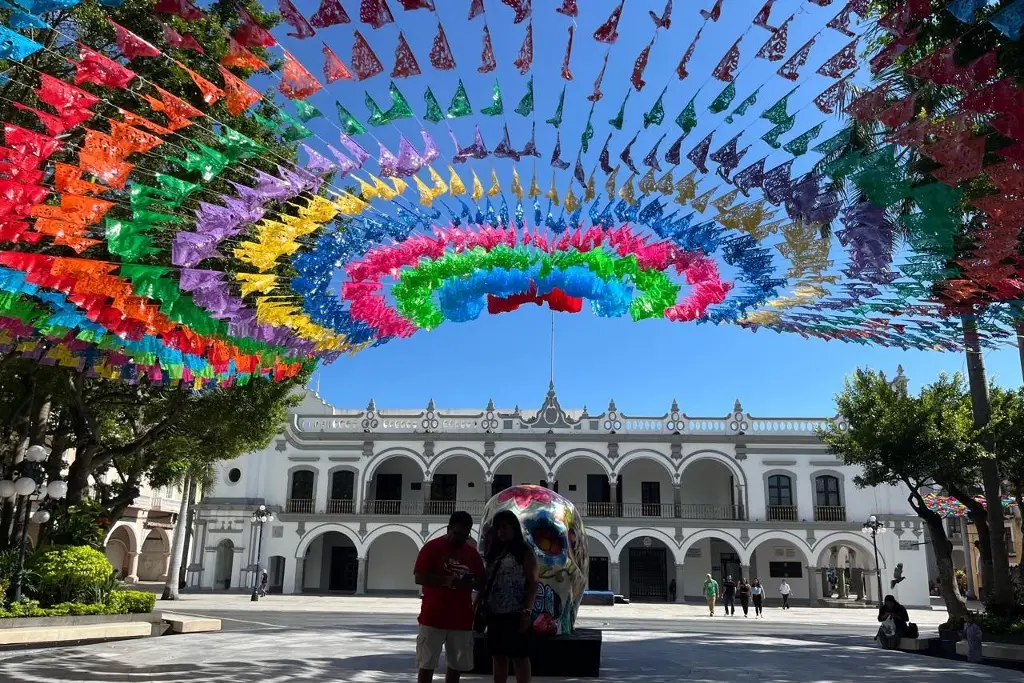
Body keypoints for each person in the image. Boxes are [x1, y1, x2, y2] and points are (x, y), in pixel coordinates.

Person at [414, 511, 485, 683]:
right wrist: (445, 580)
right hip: (433, 618)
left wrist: (469, 584)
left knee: (455, 666)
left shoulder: (471, 553)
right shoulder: (431, 548)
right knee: (427, 664)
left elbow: (482, 582)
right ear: (448, 529)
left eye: (465, 535)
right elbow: (419, 577)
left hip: (461, 619)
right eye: (457, 533)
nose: (460, 539)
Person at [480, 510, 539, 683]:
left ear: (514, 527)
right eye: (498, 528)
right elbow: (486, 581)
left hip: (517, 613)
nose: (501, 531)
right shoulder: (494, 551)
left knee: (519, 657)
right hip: (495, 612)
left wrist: (527, 610)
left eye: (504, 527)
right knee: (498, 657)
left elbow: (534, 581)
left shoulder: (524, 550)